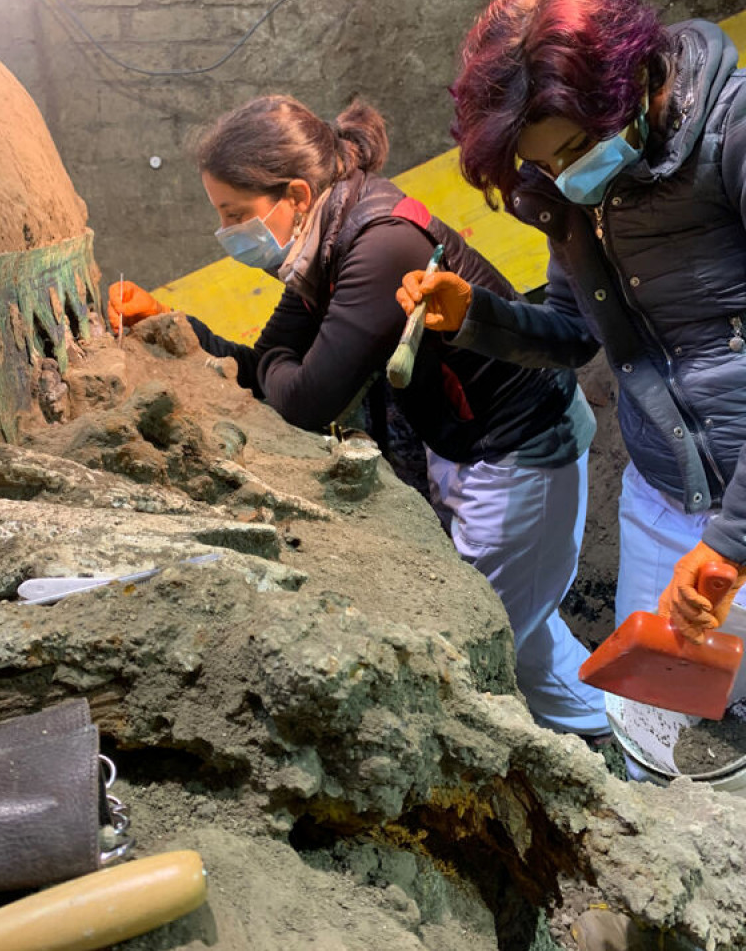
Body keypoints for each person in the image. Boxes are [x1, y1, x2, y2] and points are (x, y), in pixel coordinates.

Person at [108, 93, 609, 739]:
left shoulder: (377, 246)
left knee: (476, 647)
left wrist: (284, 366)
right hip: (460, 443)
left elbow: (303, 404)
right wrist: (172, 325)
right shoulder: (325, 245)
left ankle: (598, 754)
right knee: (522, 633)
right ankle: (608, 732)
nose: (230, 233)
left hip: (519, 455)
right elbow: (267, 368)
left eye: (236, 214)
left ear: (292, 193)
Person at [396, 0, 746, 655]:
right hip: (665, 490)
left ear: (639, 74)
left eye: (579, 147)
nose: (563, 176)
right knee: (653, 721)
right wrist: (476, 318)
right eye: (543, 163)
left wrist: (732, 541)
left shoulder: (731, 137)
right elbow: (574, 334)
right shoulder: (569, 192)